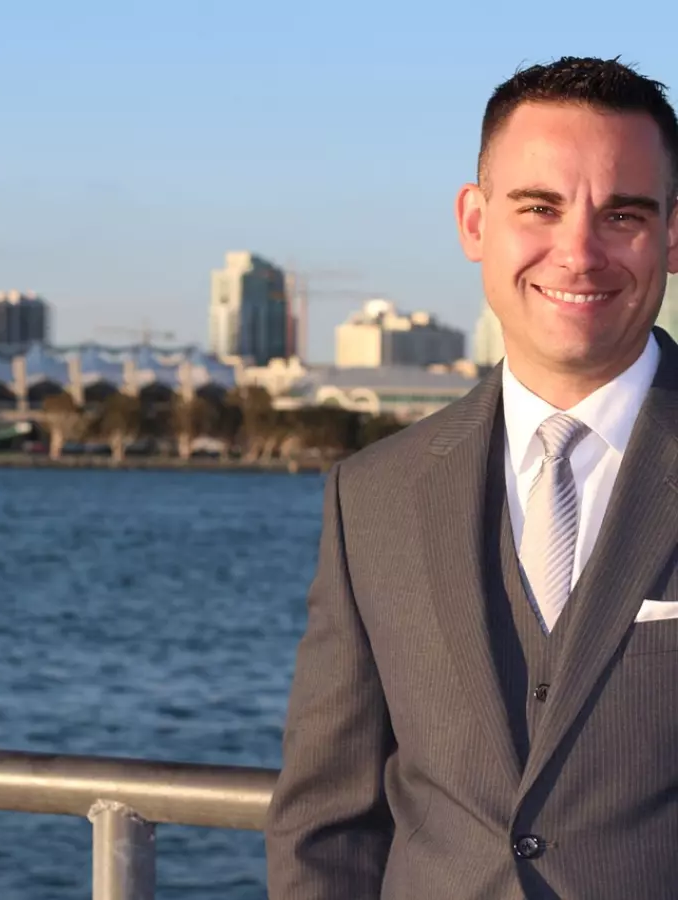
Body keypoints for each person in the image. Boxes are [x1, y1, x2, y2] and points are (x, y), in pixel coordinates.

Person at [265, 56, 678, 899]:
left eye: (623, 214)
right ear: (475, 220)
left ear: (674, 236)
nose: (579, 252)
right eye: (540, 207)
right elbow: (327, 824)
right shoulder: (372, 496)